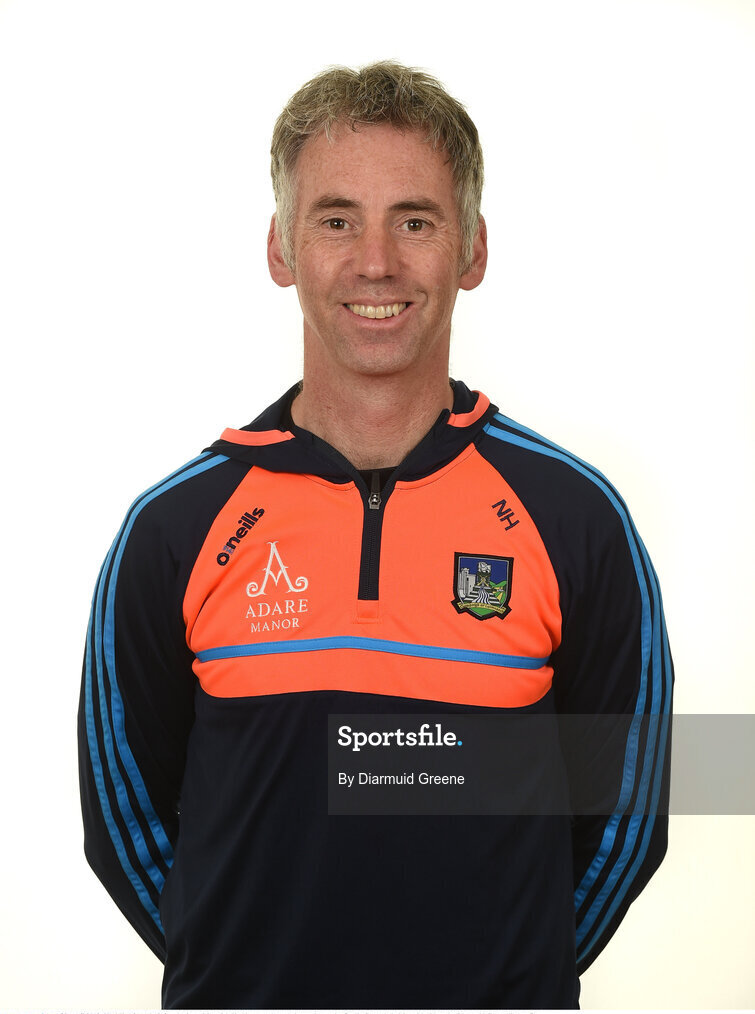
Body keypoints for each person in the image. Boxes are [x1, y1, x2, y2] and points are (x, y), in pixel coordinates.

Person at [78, 61, 673, 1009]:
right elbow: (124, 820)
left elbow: (627, 816)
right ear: (281, 247)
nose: (376, 263)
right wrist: (241, 967)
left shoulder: (574, 520)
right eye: (336, 218)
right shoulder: (175, 527)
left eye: (416, 220)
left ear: (472, 249)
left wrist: (506, 974)